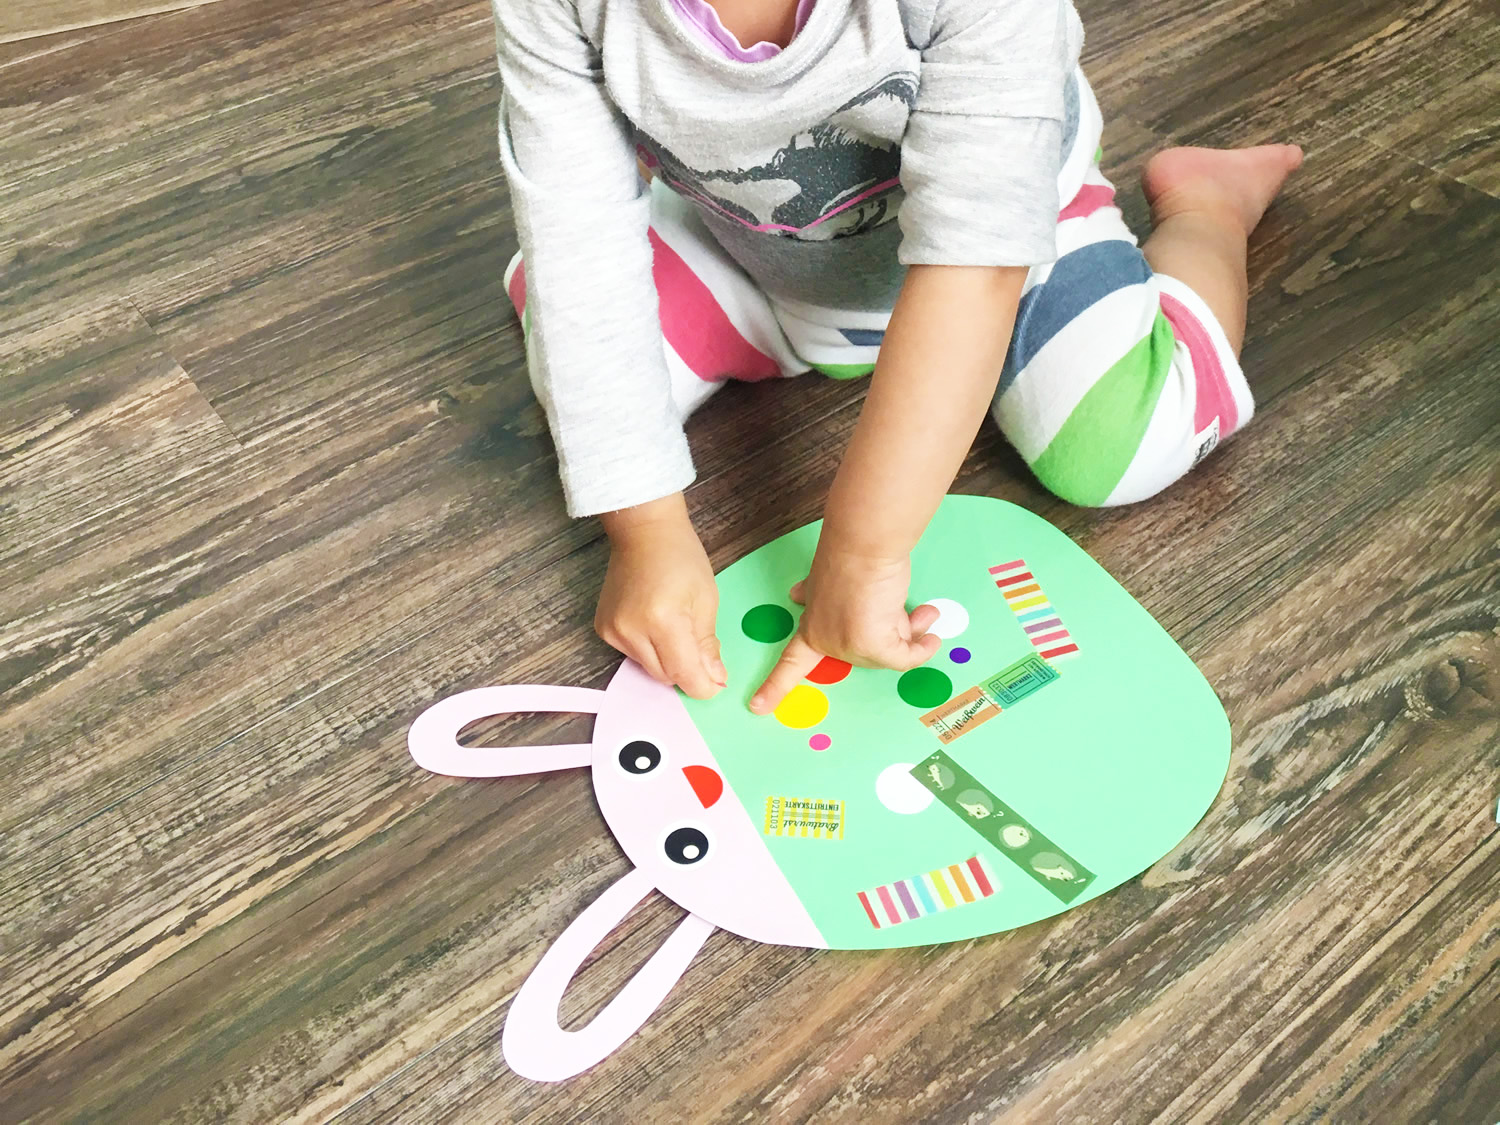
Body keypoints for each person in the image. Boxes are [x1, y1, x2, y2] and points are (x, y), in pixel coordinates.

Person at [495, 0, 1302, 713]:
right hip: (760, 253)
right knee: (569, 325)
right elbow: (579, 258)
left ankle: (1208, 211)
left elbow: (976, 265)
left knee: (1123, 445)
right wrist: (644, 529)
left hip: (1011, 252)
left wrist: (864, 552)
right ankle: (799, 321)